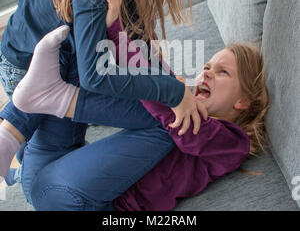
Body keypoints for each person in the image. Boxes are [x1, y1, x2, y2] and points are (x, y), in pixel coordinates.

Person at [0, 0, 223, 198]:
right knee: (58, 155)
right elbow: (94, 74)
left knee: (63, 143)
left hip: (56, 55)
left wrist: (168, 79)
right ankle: (17, 134)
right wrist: (174, 91)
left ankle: (21, 143)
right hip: (30, 64)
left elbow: (137, 45)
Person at [2, 18, 268, 210]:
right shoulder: (191, 101)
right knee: (71, 38)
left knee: (170, 106)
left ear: (243, 101)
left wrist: (116, 29)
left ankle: (47, 107)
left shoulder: (233, 143)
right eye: (208, 66)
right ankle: (10, 136)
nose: (206, 72)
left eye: (223, 72)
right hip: (47, 169)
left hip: (77, 202)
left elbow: (165, 105)